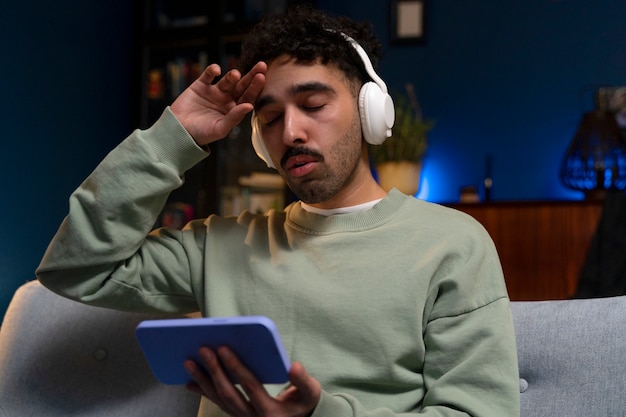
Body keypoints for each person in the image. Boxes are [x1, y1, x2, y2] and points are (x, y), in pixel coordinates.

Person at [37, 5, 520, 417]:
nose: (290, 132)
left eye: (313, 104)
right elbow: (75, 269)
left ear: (372, 110)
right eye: (269, 118)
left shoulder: (453, 243)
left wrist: (318, 414)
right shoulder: (216, 246)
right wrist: (171, 138)